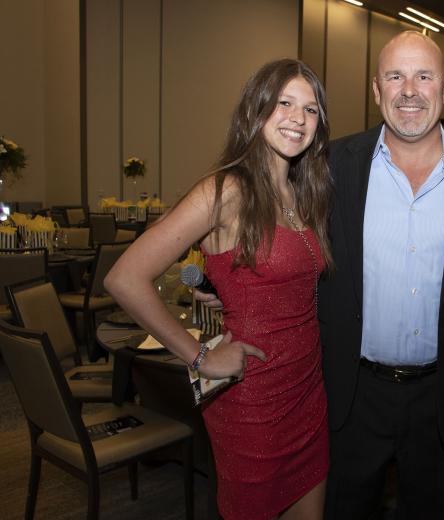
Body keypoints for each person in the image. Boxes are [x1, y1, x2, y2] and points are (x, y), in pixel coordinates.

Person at [105, 59, 333, 520]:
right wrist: (201, 358)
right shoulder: (226, 189)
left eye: (310, 109)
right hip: (252, 400)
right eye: (284, 103)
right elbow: (124, 278)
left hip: (308, 391)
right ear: (256, 109)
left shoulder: (302, 193)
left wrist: (228, 284)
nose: (298, 118)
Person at [319, 31, 444, 518]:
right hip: (352, 394)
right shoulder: (330, 166)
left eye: (424, 76)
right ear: (376, 89)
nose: (409, 90)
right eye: (395, 76)